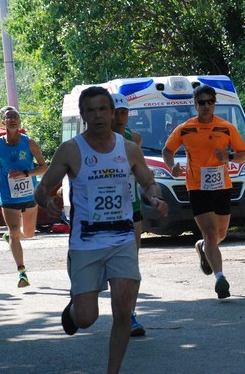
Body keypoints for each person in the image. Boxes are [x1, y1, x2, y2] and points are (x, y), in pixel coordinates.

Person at [34, 86, 168, 374]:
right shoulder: (71, 149)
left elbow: (148, 182)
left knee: (123, 311)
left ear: (112, 113)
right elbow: (43, 188)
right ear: (82, 115)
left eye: (102, 109)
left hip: (122, 239)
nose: (97, 116)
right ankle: (73, 310)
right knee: (86, 318)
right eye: (91, 110)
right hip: (86, 242)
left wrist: (155, 197)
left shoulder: (129, 149)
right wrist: (48, 201)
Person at [162, 84, 245, 299]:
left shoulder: (226, 128)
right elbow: (167, 150)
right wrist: (171, 165)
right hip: (197, 187)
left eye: (210, 102)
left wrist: (228, 157)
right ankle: (220, 278)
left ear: (215, 104)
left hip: (222, 187)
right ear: (195, 105)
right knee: (210, 233)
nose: (206, 106)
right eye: (202, 102)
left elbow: (243, 154)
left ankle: (202, 247)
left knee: (220, 234)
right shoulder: (185, 129)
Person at [0, 106, 48, 288]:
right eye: (9, 117)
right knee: (13, 231)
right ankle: (22, 272)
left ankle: (10, 237)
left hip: (29, 194)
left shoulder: (29, 143)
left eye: (16, 117)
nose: (12, 119)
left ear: (20, 122)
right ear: (3, 122)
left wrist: (25, 173)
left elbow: (44, 167)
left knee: (29, 233)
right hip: (8, 196)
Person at [111, 92, 146, 337]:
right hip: (104, 214)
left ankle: (130, 315)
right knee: (109, 269)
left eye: (124, 112)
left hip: (131, 208)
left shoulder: (134, 138)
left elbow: (139, 171)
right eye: (116, 112)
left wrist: (152, 191)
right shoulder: (93, 140)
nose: (121, 116)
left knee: (131, 265)